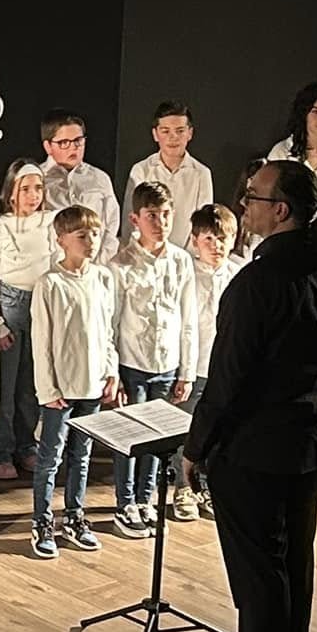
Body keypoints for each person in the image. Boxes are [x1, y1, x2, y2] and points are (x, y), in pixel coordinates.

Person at [182, 160, 317, 632]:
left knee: (260, 574)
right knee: (293, 566)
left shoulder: (257, 282)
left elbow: (229, 376)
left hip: (255, 451)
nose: (245, 205)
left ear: (279, 210)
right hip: (311, 445)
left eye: (252, 196)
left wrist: (196, 446)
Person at [30, 205, 119, 558]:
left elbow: (106, 329)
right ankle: (42, 519)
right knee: (50, 456)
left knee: (81, 456)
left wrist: (110, 370)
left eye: (94, 234)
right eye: (81, 235)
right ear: (61, 240)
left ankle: (75, 515)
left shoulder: (102, 278)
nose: (90, 241)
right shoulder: (49, 284)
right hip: (61, 389)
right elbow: (42, 341)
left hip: (92, 384)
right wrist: (48, 389)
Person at [113, 180, 198, 539]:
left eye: (165, 215)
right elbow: (113, 320)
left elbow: (188, 317)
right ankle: (125, 501)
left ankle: (147, 497)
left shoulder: (180, 261)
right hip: (133, 363)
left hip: (167, 363)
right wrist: (112, 370)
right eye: (152, 215)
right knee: (130, 435)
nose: (160, 222)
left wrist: (187, 370)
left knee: (158, 436)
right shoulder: (121, 264)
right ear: (135, 218)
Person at [0, 161, 56, 483]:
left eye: (38, 188)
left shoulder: (51, 222)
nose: (32, 195)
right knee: (5, 387)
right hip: (9, 307)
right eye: (25, 188)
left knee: (31, 385)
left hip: (40, 306)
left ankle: (26, 444)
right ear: (11, 191)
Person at [181, 203, 242, 522]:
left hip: (226, 368)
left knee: (220, 432)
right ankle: (183, 488)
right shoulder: (186, 271)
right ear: (194, 240)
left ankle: (208, 488)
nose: (216, 246)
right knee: (190, 428)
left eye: (223, 238)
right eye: (208, 239)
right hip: (195, 365)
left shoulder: (240, 272)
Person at [122, 100, 214, 248]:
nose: (173, 137)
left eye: (180, 131)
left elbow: (203, 224)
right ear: (155, 134)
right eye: (165, 131)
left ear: (190, 133)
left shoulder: (201, 173)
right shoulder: (141, 169)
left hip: (187, 257)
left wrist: (188, 257)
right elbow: (131, 220)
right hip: (147, 255)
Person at [40, 107, 121, 243]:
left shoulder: (99, 178)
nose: (74, 147)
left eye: (78, 140)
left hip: (93, 259)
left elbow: (111, 224)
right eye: (64, 143)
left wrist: (99, 260)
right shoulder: (37, 179)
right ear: (48, 146)